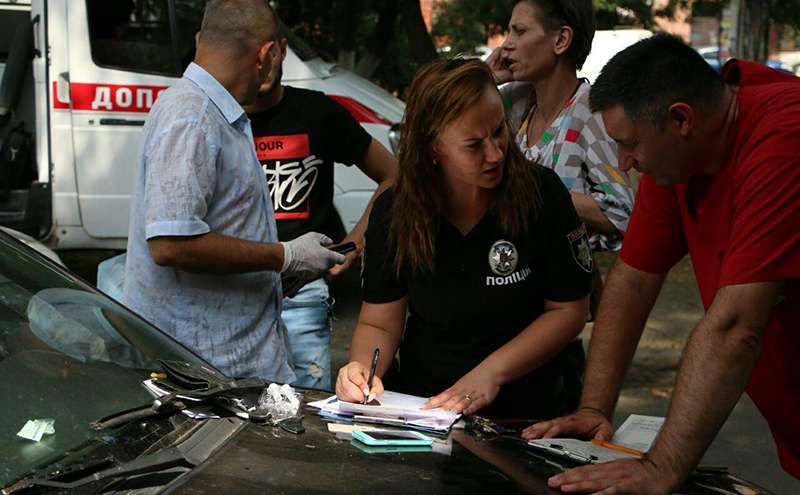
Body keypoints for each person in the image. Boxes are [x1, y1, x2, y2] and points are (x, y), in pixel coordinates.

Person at [523, 34, 800, 493]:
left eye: (628, 144)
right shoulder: (680, 157)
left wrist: (661, 468)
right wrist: (593, 409)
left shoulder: (784, 136)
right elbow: (632, 281)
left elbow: (735, 326)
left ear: (680, 119)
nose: (623, 163)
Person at [335, 58, 592, 419]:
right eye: (473, 145)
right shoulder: (395, 213)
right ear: (431, 148)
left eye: (500, 130)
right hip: (425, 408)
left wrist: (492, 373)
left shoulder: (541, 194)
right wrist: (362, 370)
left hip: (527, 409)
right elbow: (380, 321)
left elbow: (569, 311)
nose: (495, 153)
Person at [123, 0, 345, 383]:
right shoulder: (192, 116)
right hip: (205, 374)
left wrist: (276, 269)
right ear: (268, 54)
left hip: (229, 367)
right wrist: (285, 256)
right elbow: (170, 243)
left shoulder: (214, 111)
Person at [243, 23, 396, 390]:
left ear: (281, 48)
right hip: (237, 295)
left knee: (309, 414)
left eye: (268, 53)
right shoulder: (218, 121)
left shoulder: (319, 113)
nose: (261, 65)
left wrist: (355, 243)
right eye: (249, 56)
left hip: (303, 295)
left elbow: (393, 175)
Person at [488, 0, 633, 253]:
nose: (506, 44)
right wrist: (483, 78)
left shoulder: (590, 111)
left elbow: (621, 213)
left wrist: (536, 191)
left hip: (563, 284)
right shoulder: (515, 101)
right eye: (509, 31)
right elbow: (443, 122)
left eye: (520, 31)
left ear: (561, 40)